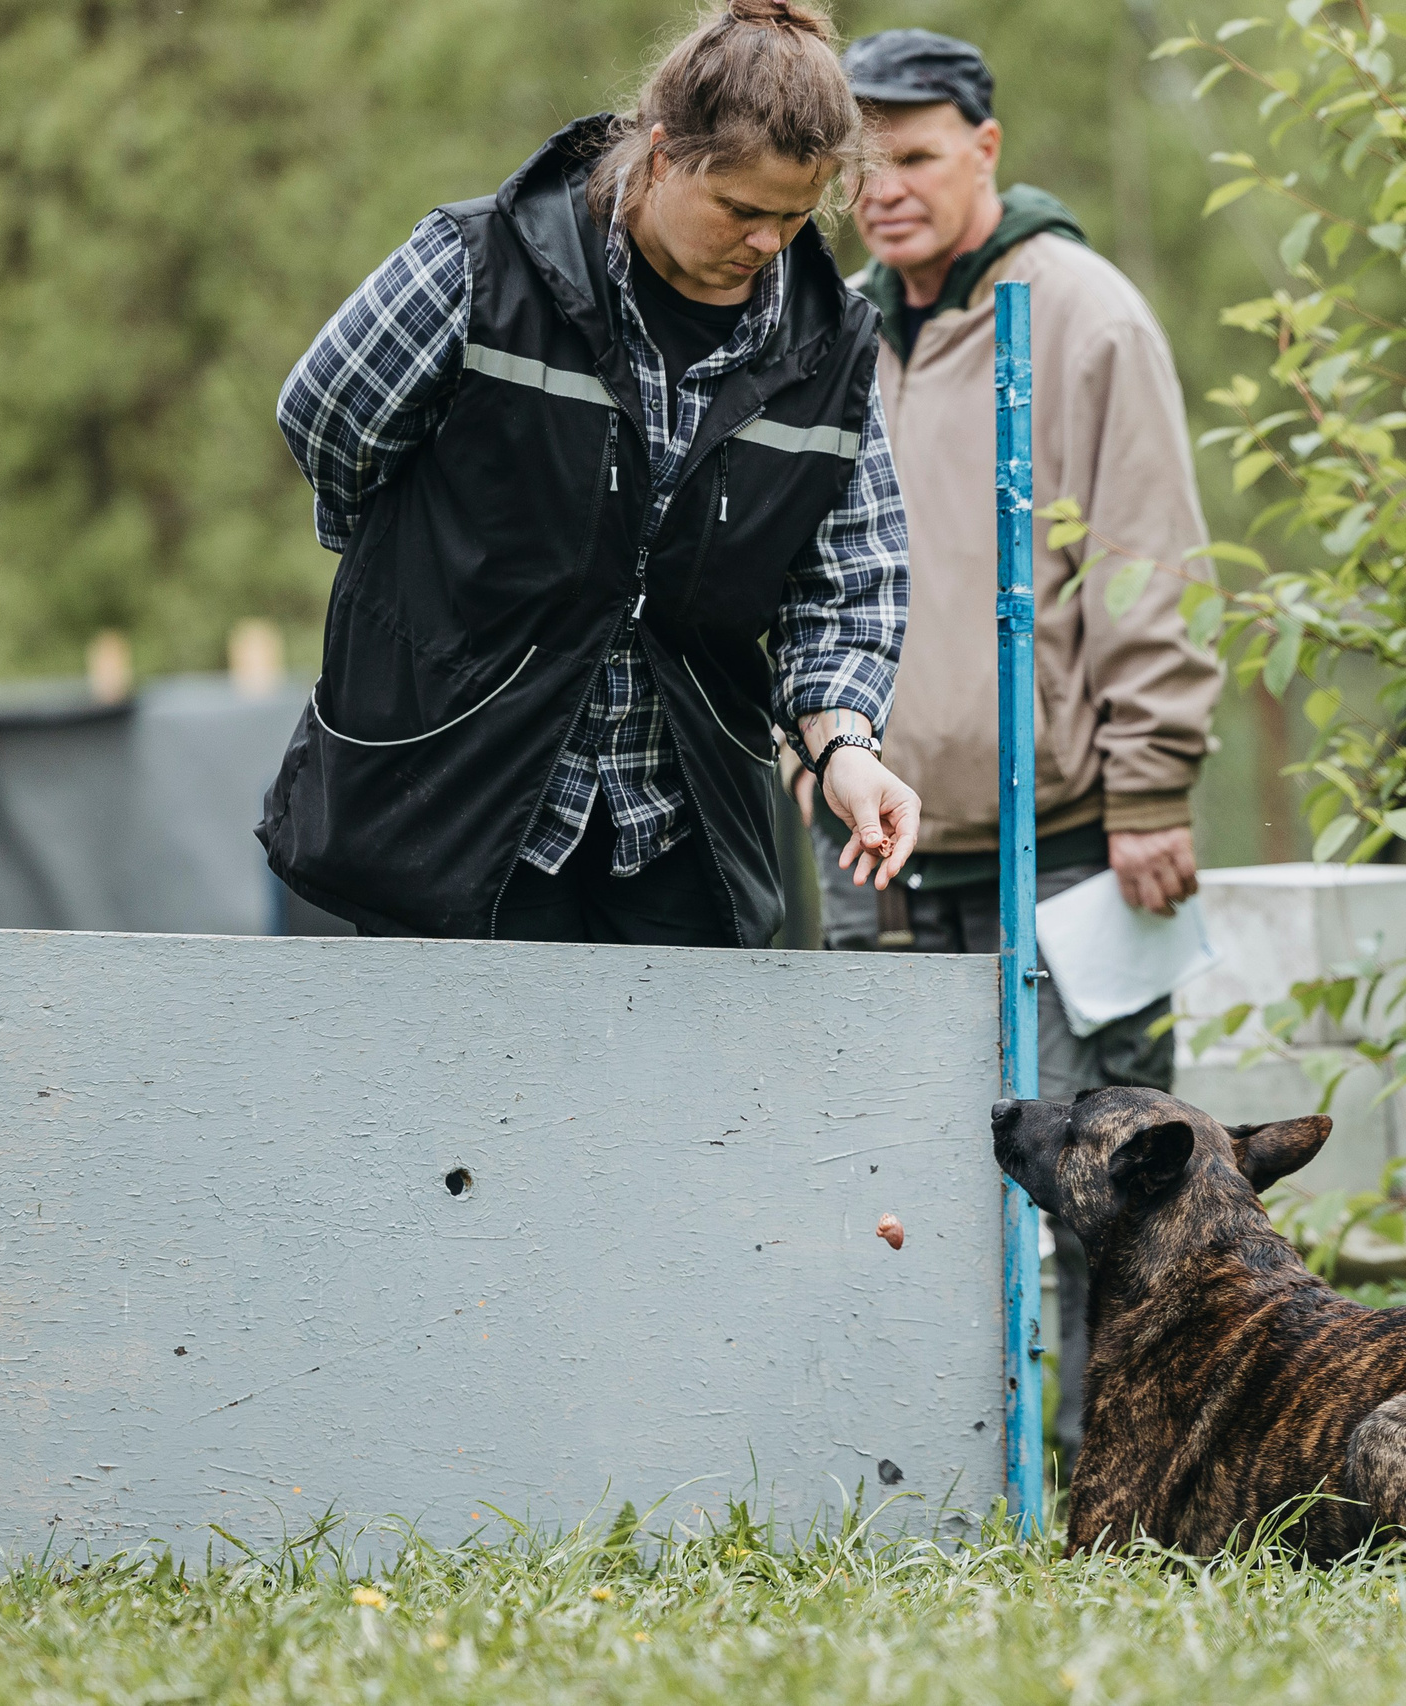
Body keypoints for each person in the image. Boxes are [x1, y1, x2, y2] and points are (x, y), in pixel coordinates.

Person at [262, 0, 919, 947]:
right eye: (740, 208)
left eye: (794, 215)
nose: (768, 242)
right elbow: (326, 420)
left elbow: (850, 587)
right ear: (661, 156)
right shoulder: (473, 263)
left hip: (682, 831)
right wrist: (427, 575)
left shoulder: (835, 349)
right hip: (452, 801)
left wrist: (845, 748)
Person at [809, 28, 1222, 1462]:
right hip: (876, 839)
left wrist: (1154, 781)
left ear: (986, 149)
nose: (886, 191)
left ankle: (1110, 1489)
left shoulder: (1084, 314)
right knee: (892, 1186)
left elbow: (1151, 560)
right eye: (863, 164)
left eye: (915, 158)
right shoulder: (831, 324)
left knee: (1099, 1191)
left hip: (1064, 847)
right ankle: (929, 1482)